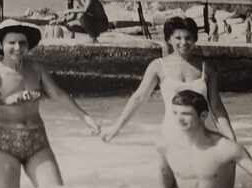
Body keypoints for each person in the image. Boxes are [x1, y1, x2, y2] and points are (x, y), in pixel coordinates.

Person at [0, 20, 101, 188]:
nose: (17, 47)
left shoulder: (36, 69)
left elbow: (58, 94)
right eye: (11, 42)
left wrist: (86, 118)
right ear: (1, 45)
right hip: (5, 145)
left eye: (22, 42)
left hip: (38, 143)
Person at [101, 16, 237, 144]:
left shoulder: (207, 68)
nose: (183, 42)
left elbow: (217, 107)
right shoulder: (158, 66)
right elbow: (138, 98)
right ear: (169, 39)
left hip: (202, 135)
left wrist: (230, 137)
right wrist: (115, 128)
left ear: (195, 39)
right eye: (178, 38)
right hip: (171, 134)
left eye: (188, 38)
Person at [158, 90, 252, 188]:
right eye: (175, 113)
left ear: (203, 116)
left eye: (186, 114)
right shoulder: (167, 148)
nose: (178, 119)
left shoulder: (226, 148)